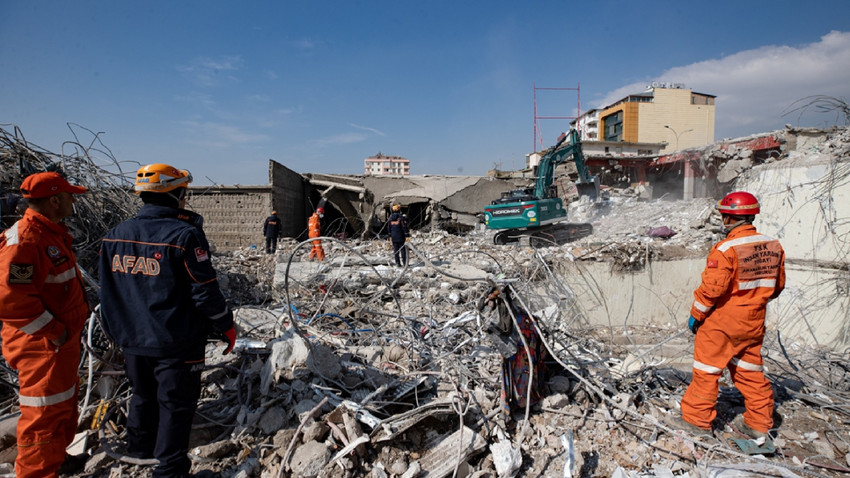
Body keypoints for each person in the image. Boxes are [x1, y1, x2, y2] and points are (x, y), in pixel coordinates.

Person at [98, 163, 236, 478]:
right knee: (176, 403)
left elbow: (109, 291)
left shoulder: (114, 236)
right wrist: (226, 325)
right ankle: (169, 470)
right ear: (177, 194)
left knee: (142, 394)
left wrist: (118, 332)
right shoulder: (183, 235)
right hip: (176, 341)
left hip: (132, 339)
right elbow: (204, 293)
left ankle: (138, 452)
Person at [669, 191, 785, 439]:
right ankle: (759, 423)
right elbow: (777, 287)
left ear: (730, 218)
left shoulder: (726, 249)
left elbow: (712, 290)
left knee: (706, 372)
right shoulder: (773, 245)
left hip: (722, 323)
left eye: (724, 216)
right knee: (750, 372)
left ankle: (697, 421)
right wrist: (753, 300)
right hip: (753, 322)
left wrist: (696, 315)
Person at [0, 171, 90, 477]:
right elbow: (11, 301)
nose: (73, 202)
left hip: (58, 345)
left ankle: (57, 460)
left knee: (61, 407)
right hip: (42, 346)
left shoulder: (50, 234)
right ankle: (37, 472)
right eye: (69, 196)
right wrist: (55, 332)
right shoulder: (25, 242)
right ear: (55, 200)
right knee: (43, 417)